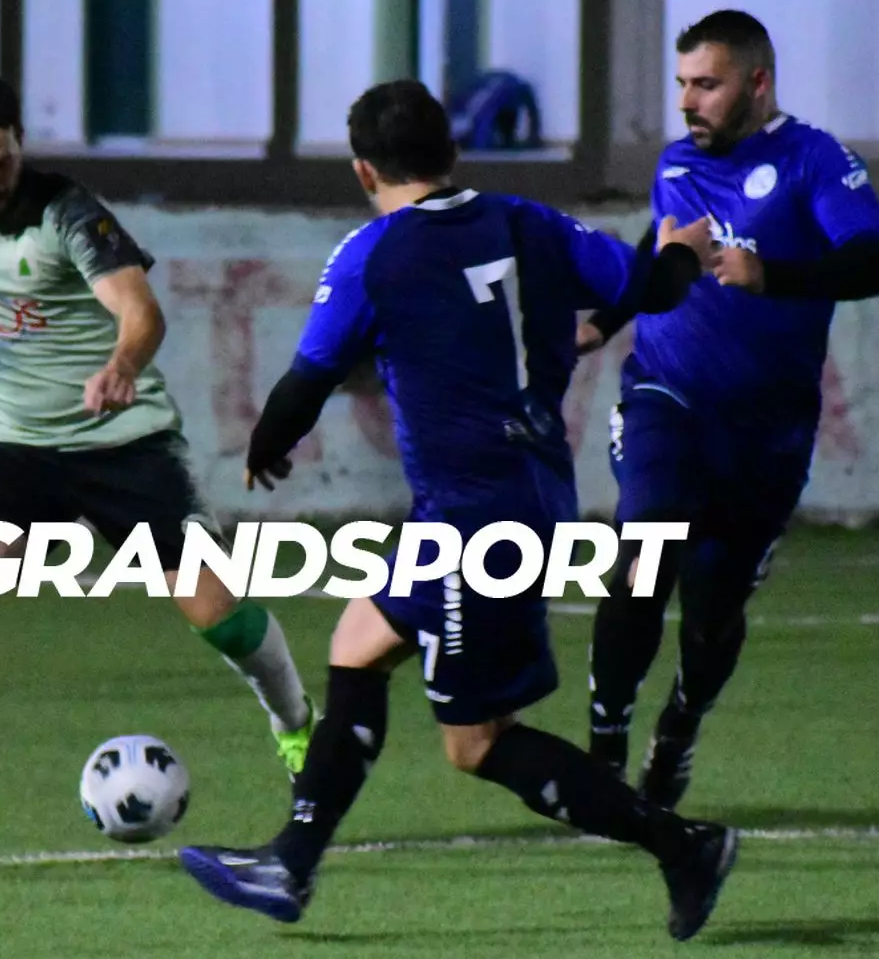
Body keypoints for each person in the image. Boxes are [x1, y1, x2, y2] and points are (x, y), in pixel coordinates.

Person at [176, 79, 738, 943]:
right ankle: (291, 858)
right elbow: (652, 287)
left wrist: (266, 446)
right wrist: (682, 254)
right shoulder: (529, 221)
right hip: (518, 497)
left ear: (364, 169)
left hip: (477, 519)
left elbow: (303, 384)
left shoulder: (372, 254)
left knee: (476, 742)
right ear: (451, 151)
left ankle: (684, 846)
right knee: (358, 643)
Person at [0, 71, 317, 846]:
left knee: (218, 616)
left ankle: (297, 725)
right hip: (22, 449)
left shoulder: (68, 215)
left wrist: (122, 365)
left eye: (3, 163)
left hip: (127, 445)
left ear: (21, 145)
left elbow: (142, 312)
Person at [577, 10, 879, 808]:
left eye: (707, 85)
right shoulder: (677, 162)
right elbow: (662, 247)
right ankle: (604, 744)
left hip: (766, 432)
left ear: (757, 83)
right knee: (643, 554)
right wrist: (604, 321)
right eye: (682, 84)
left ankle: (679, 726)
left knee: (713, 611)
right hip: (665, 395)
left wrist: (771, 275)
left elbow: (874, 263)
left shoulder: (814, 160)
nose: (688, 102)